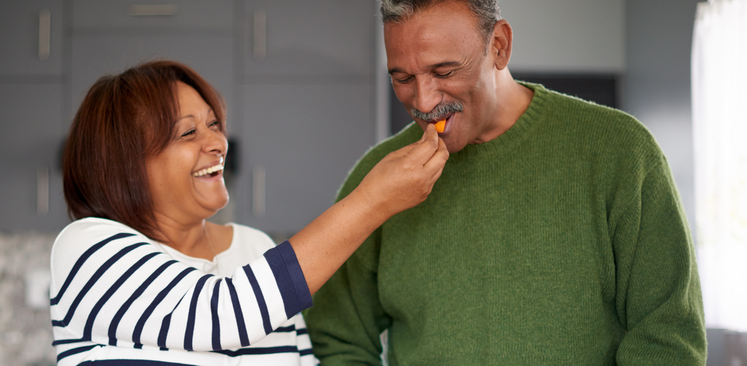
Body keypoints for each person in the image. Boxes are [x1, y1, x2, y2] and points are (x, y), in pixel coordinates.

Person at [303, 0, 707, 365]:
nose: (423, 102)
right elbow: (338, 339)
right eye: (403, 78)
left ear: (498, 45)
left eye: (443, 71)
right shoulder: (377, 180)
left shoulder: (620, 152)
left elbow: (668, 337)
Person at [49, 60, 448, 365]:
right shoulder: (86, 248)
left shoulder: (253, 247)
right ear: (125, 163)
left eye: (214, 124)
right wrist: (373, 201)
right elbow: (221, 315)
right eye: (189, 133)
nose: (218, 143)